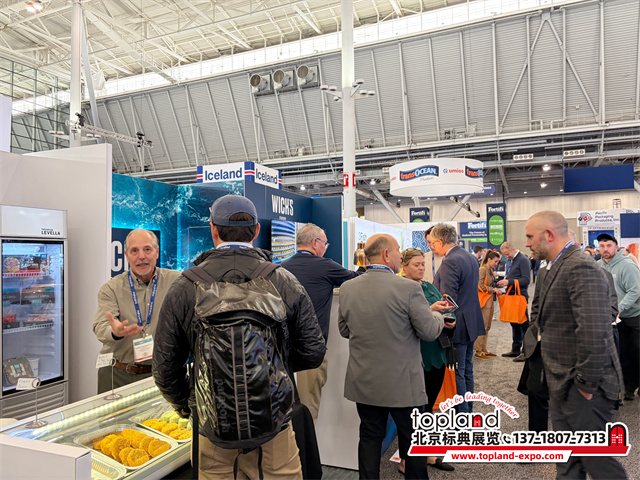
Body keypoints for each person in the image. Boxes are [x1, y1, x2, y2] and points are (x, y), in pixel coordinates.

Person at [153, 195, 326, 479]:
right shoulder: (283, 280)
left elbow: (164, 368)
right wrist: (273, 367)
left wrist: (191, 405)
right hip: (275, 431)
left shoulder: (185, 286)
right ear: (256, 230)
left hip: (213, 434)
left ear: (213, 229)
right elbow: (313, 351)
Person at [525, 211, 627, 480]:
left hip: (583, 386)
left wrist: (585, 385)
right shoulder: (557, 267)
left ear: (549, 235)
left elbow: (595, 331)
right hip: (563, 381)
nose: (527, 243)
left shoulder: (580, 267)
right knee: (568, 463)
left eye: (530, 236)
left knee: (598, 462)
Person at [338, 234, 444, 480]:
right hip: (403, 384)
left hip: (364, 381)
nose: (400, 255)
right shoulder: (409, 288)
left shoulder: (348, 287)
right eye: (397, 251)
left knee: (369, 437)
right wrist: (438, 316)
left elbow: (344, 330)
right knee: (413, 441)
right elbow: (429, 331)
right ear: (386, 255)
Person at [281, 223, 361, 423]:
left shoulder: (281, 267)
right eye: (325, 243)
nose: (325, 247)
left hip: (281, 350)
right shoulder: (325, 266)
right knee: (308, 409)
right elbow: (358, 281)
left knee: (284, 409)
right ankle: (306, 444)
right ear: (315, 242)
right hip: (310, 350)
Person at [93, 229, 180, 394]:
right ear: (127, 256)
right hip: (118, 374)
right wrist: (115, 332)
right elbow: (100, 327)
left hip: (161, 374)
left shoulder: (176, 281)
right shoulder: (110, 289)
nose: (141, 256)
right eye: (134, 251)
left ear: (156, 252)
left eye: (147, 249)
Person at [398, 248, 455, 474]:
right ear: (404, 266)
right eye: (416, 264)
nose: (421, 268)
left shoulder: (429, 286)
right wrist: (430, 310)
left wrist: (449, 318)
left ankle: (428, 453)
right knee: (413, 411)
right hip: (416, 355)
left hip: (436, 353)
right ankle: (406, 460)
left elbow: (445, 306)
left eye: (423, 264)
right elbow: (401, 320)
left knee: (429, 407)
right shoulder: (401, 288)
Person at [428, 224, 485, 413]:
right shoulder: (469, 256)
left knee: (457, 372)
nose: (432, 246)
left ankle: (462, 418)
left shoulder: (450, 261)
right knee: (467, 370)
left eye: (433, 242)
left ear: (440, 241)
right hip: (471, 322)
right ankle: (468, 412)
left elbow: (447, 300)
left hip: (457, 325)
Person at [597, 233, 640, 402]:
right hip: (613, 319)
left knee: (637, 351)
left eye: (609, 245)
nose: (605, 249)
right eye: (602, 246)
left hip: (634, 316)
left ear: (616, 247)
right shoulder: (597, 266)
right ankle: (628, 387)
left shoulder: (627, 265)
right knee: (622, 354)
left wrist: (618, 308)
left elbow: (635, 291)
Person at [497, 241, 531, 362]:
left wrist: (508, 282)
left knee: (523, 324)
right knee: (514, 323)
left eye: (508, 254)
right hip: (512, 295)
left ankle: (527, 351)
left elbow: (526, 279)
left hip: (520, 295)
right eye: (505, 255)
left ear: (513, 249)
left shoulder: (522, 260)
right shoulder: (511, 260)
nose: (507, 256)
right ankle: (516, 348)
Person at [474, 251, 502, 359]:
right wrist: (493, 289)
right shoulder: (483, 270)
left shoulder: (490, 270)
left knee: (487, 326)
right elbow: (479, 285)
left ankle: (484, 349)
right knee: (483, 326)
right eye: (495, 261)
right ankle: (478, 350)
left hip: (489, 299)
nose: (496, 264)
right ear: (489, 260)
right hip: (484, 300)